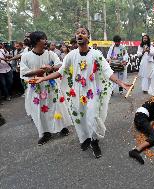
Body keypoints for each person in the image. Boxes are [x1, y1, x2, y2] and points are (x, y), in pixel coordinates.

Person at [35, 27, 131, 158]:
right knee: (80, 118)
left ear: (88, 37)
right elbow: (60, 72)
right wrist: (43, 78)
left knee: (93, 117)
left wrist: (120, 83)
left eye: (83, 33)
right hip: (77, 92)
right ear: (76, 38)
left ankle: (94, 141)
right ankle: (85, 138)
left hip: (92, 93)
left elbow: (107, 71)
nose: (80, 34)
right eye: (77, 33)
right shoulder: (71, 55)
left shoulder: (96, 54)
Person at [20, 31, 71, 145]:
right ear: (36, 41)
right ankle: (45, 132)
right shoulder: (26, 56)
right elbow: (23, 73)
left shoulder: (50, 54)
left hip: (51, 86)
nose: (46, 41)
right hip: (36, 88)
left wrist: (51, 67)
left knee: (57, 106)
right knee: (40, 110)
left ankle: (62, 127)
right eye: (43, 39)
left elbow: (60, 66)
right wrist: (39, 71)